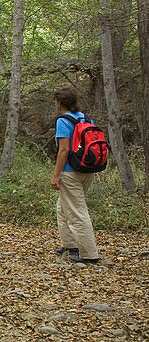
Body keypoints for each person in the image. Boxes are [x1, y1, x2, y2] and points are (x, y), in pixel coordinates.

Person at [50, 86, 99, 264]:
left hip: (70, 172)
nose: (55, 104)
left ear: (60, 102)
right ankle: (70, 245)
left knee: (77, 212)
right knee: (62, 208)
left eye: (55, 101)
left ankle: (89, 254)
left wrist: (56, 175)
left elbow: (63, 150)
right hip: (87, 170)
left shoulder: (62, 121)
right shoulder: (85, 118)